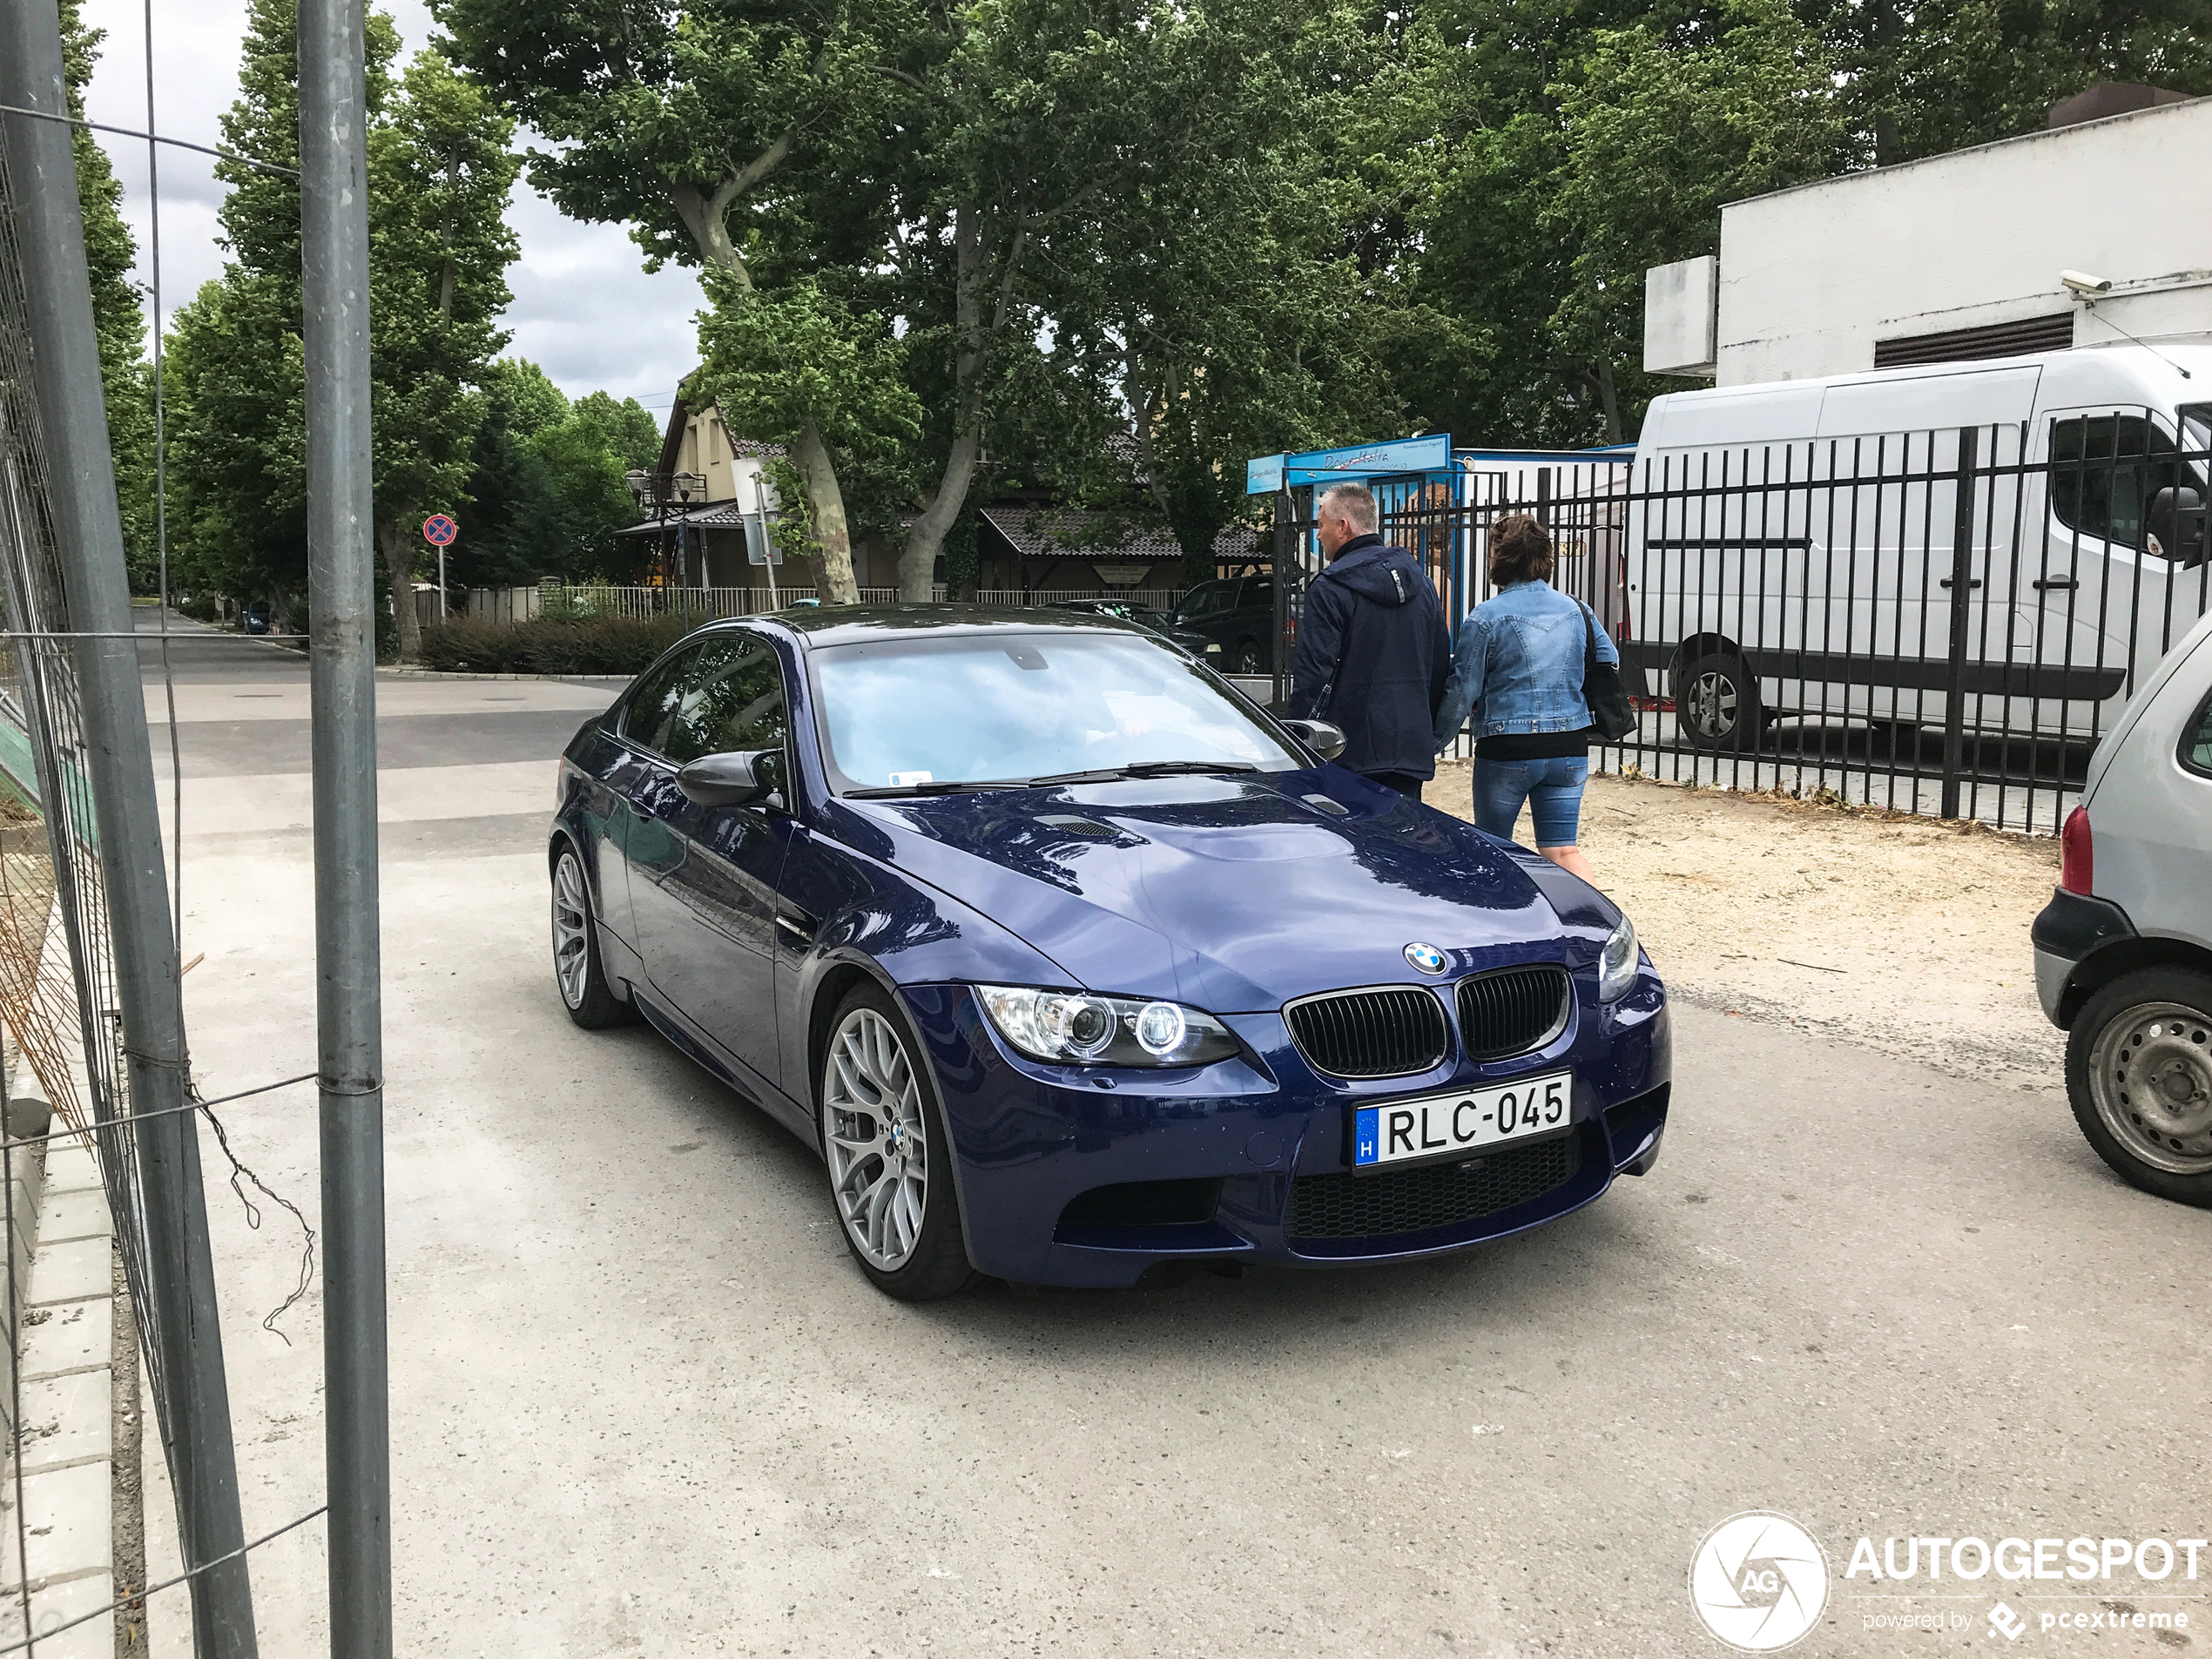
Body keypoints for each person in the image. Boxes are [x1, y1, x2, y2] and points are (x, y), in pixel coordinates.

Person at [1432, 513, 1618, 881]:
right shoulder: (1577, 610)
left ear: (1498, 557)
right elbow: (1608, 658)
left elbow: (1462, 689)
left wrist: (1435, 741)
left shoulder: (1486, 617)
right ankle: (1590, 924)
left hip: (1507, 747)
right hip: (1568, 744)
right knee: (1564, 850)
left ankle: (1501, 921)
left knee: (1494, 847)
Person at [1286, 482, 1451, 799]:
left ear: (1343, 527)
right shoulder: (1424, 584)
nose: (1318, 535)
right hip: (1409, 747)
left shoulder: (1330, 588)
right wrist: (1425, 726)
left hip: (1349, 748)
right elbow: (1439, 664)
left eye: (1321, 525)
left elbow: (1314, 673)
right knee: (1402, 841)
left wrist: (1299, 737)